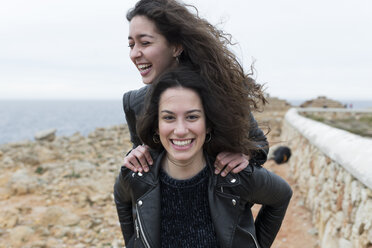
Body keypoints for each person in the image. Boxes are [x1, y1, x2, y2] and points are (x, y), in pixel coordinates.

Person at [114, 66, 292, 248]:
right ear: (156, 126)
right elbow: (121, 197)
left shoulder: (233, 174)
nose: (181, 130)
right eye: (168, 118)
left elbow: (282, 195)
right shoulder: (137, 175)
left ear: (208, 125)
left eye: (192, 117)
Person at [123, 0, 269, 177]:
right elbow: (139, 160)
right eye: (131, 45)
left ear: (176, 47)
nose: (134, 54)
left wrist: (245, 154)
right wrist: (134, 156)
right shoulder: (134, 102)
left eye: (145, 43)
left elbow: (260, 145)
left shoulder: (221, 90)